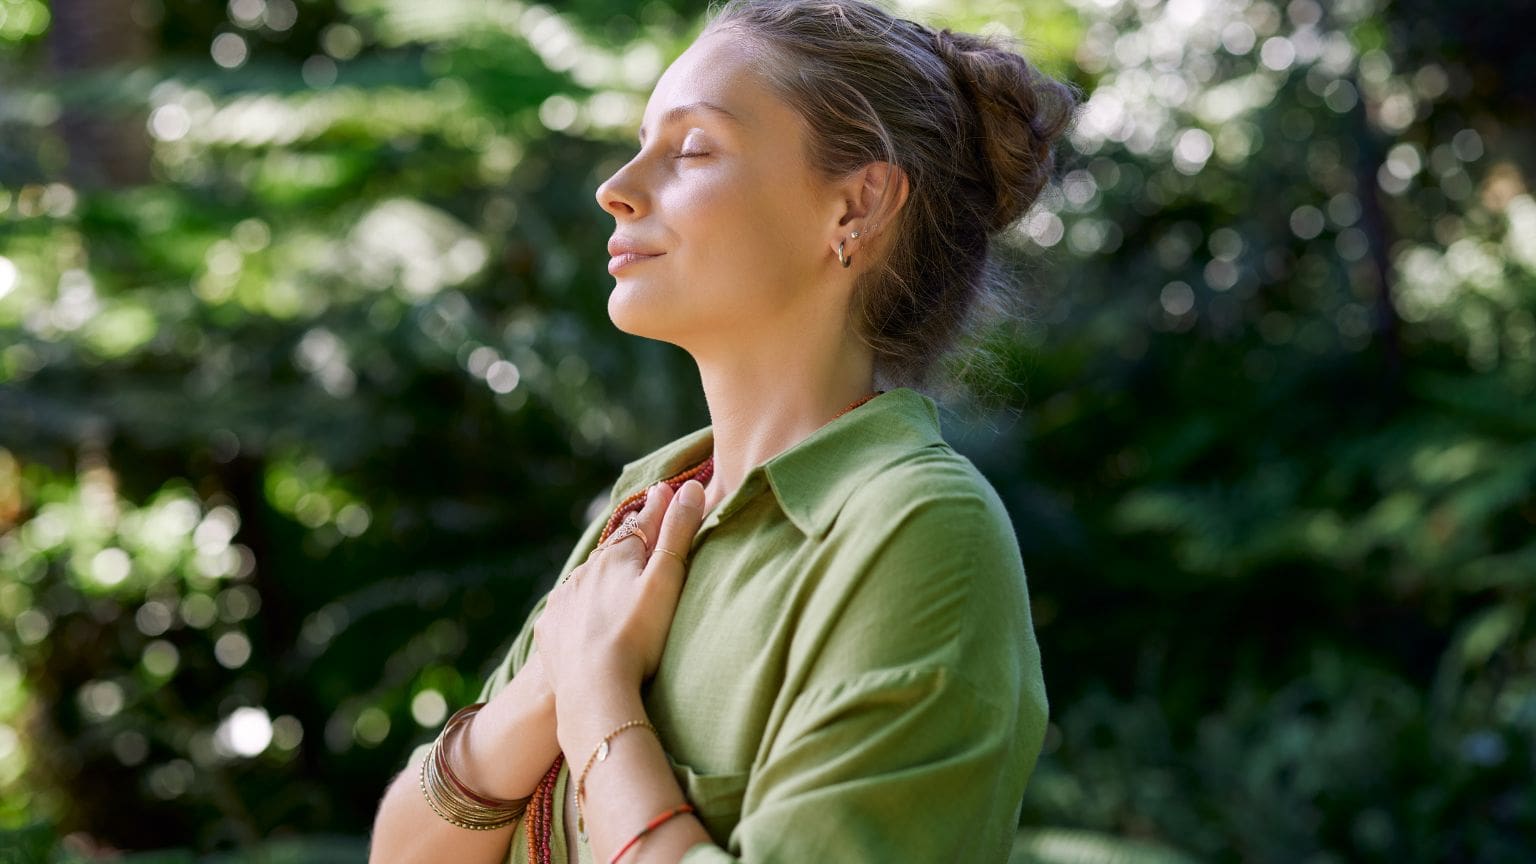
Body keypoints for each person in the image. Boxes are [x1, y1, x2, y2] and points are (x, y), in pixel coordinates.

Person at [368, 0, 1078, 861]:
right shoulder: (644, 510)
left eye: (693, 147)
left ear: (856, 204)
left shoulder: (920, 529)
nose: (616, 189)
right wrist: (552, 681)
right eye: (639, 144)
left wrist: (598, 702)